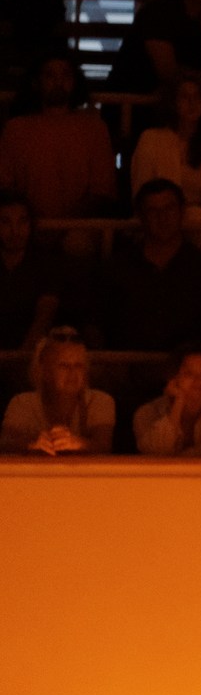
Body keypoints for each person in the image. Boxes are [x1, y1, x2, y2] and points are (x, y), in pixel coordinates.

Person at [103, 180, 201, 360]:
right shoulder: (116, 269)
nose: (163, 217)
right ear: (141, 216)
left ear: (182, 211)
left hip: (187, 371)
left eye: (169, 209)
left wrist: (198, 365)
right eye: (153, 211)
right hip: (127, 368)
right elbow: (94, 324)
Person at [128, 75, 201, 262]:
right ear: (172, 102)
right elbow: (142, 191)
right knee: (196, 218)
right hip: (162, 222)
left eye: (197, 96)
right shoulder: (151, 141)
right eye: (184, 97)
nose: (192, 102)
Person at [0, 50, 119, 230]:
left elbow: (102, 190)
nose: (59, 81)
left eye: (66, 75)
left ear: (74, 82)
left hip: (80, 230)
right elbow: (6, 186)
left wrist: (67, 226)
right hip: (26, 230)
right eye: (50, 75)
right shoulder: (15, 129)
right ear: (36, 82)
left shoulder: (94, 128)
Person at [0, 328, 115, 455]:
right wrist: (31, 444)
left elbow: (104, 447)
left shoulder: (100, 401)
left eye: (78, 365)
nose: (73, 373)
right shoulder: (22, 403)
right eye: (64, 366)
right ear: (45, 371)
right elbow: (4, 444)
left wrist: (79, 443)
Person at [133, 348, 201, 457]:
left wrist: (174, 460)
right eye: (189, 374)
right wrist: (178, 403)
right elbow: (155, 453)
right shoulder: (147, 413)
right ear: (173, 378)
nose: (199, 381)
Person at [0, 193, 64, 353]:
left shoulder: (45, 263)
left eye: (22, 221)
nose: (15, 231)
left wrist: (21, 358)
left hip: (28, 355)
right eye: (5, 222)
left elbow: (44, 317)